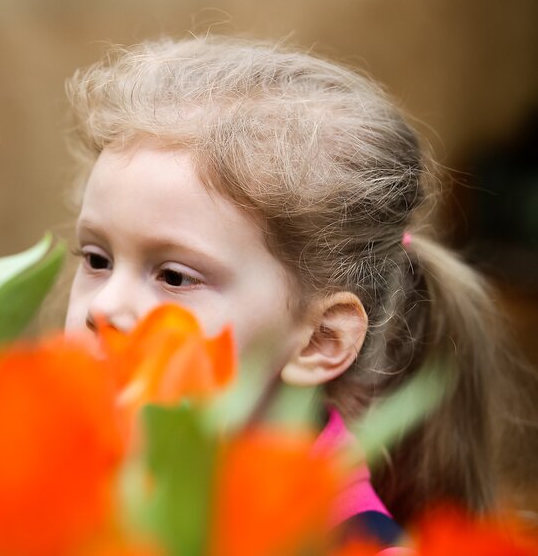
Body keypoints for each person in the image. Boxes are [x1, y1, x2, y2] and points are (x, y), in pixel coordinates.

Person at [62, 36, 533, 545]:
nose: (104, 306)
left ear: (322, 339)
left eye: (174, 277)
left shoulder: (347, 545)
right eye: (97, 260)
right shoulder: (75, 486)